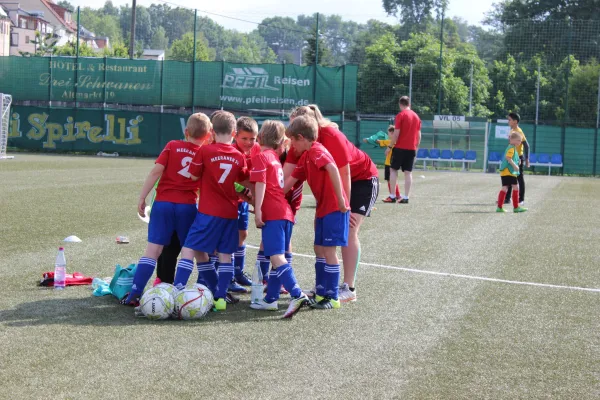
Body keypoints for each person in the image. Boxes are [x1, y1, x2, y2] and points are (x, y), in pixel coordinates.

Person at [286, 105, 379, 303]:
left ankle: (349, 288)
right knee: (322, 241)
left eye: (294, 124)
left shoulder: (330, 136)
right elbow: (288, 175)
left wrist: (343, 206)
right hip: (333, 188)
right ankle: (324, 285)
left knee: (349, 230)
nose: (290, 130)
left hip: (361, 180)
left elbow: (343, 173)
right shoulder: (299, 142)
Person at [121, 113, 212, 306]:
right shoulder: (204, 154)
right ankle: (185, 293)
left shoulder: (172, 145)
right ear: (208, 136)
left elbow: (156, 171)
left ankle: (134, 294)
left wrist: (142, 197)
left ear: (186, 132)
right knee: (192, 251)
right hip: (187, 206)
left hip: (162, 204)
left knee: (153, 250)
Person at [172, 111, 249, 311]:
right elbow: (242, 180)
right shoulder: (239, 156)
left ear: (212, 132)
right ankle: (220, 298)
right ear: (234, 132)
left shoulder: (205, 152)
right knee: (225, 256)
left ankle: (176, 291)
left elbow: (192, 176)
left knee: (189, 248)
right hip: (230, 213)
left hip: (208, 212)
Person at [284, 115, 350, 310]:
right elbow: (287, 185)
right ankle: (321, 293)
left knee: (329, 251)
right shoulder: (305, 157)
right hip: (323, 209)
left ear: (301, 137)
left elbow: (332, 168)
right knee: (319, 249)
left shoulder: (317, 150)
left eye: (293, 141)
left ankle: (333, 297)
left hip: (334, 208)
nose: (291, 146)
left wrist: (340, 199)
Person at [249, 120, 309, 318]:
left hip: (273, 214)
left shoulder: (261, 157)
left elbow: (261, 185)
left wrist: (258, 212)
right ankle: (271, 299)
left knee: (276, 257)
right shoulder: (275, 158)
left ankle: (296, 293)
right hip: (286, 213)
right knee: (276, 258)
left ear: (259, 138)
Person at [225, 116, 261, 293]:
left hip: (243, 203)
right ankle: (229, 276)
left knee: (242, 234)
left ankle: (238, 273)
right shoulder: (231, 152)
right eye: (244, 138)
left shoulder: (254, 151)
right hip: (231, 201)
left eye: (252, 139)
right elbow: (228, 181)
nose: (248, 142)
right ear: (235, 136)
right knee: (230, 238)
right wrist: (245, 192)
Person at [383, 96, 421, 204]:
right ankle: (406, 197)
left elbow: (396, 134)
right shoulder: (416, 116)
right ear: (409, 104)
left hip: (400, 148)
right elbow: (419, 135)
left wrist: (389, 147)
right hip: (411, 148)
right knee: (408, 173)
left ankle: (392, 196)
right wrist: (416, 147)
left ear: (400, 104)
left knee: (393, 170)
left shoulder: (401, 115)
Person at [497, 131, 528, 213]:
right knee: (515, 187)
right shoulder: (511, 148)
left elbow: (513, 157)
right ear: (513, 140)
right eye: (519, 140)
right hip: (509, 172)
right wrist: (515, 166)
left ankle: (499, 207)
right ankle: (516, 207)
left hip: (505, 172)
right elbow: (508, 158)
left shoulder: (512, 147)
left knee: (505, 188)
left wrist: (518, 161)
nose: (520, 142)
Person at [504, 112, 529, 206]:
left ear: (515, 121)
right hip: (512, 157)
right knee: (509, 177)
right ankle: (507, 198)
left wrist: (526, 159)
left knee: (519, 178)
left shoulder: (519, 131)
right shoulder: (511, 131)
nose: (508, 121)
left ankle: (521, 199)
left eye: (509, 120)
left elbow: (526, 145)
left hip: (518, 158)